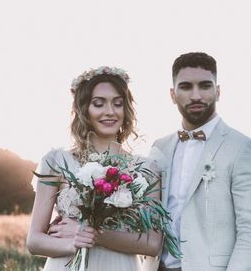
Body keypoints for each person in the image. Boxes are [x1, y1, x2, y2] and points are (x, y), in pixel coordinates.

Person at [26, 66, 162, 270]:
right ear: (84, 109)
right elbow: (34, 241)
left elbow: (153, 244)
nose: (110, 111)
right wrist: (73, 242)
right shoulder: (57, 162)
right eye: (98, 104)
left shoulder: (145, 169)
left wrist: (93, 234)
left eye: (118, 103)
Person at [147, 52, 251, 271]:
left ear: (218, 91)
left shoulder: (243, 149)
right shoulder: (159, 148)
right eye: (185, 87)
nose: (196, 96)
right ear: (173, 94)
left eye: (205, 86)